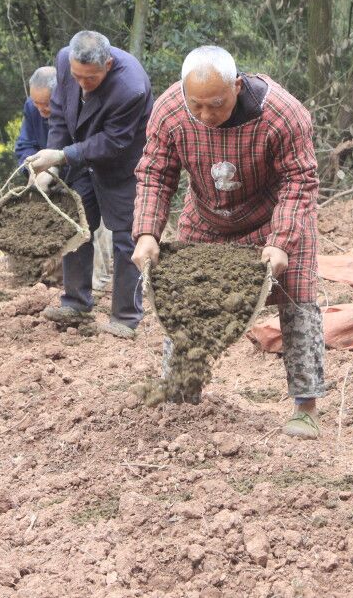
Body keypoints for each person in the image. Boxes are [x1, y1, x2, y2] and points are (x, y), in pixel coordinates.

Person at [131, 45, 325, 440]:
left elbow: (299, 181)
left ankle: (305, 407)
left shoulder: (282, 115)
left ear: (237, 86)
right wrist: (148, 233)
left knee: (299, 302)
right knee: (181, 298)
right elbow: (155, 174)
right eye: (196, 105)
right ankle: (180, 395)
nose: (205, 115)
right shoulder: (169, 112)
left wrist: (282, 241)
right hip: (206, 217)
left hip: (272, 220)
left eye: (215, 105)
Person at [24, 31, 153, 338]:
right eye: (77, 76)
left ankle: (125, 318)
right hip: (79, 160)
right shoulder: (64, 60)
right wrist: (51, 166)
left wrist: (63, 155)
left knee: (126, 238)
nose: (82, 83)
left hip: (123, 164)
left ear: (108, 65)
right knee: (76, 226)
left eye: (91, 78)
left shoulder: (130, 86)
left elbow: (114, 142)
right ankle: (76, 304)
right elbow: (58, 115)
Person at [14, 65, 113, 291]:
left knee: (96, 229)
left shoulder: (80, 105)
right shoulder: (32, 107)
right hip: (49, 181)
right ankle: (58, 280)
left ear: (59, 97)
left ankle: (100, 283)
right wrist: (31, 168)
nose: (41, 110)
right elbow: (24, 145)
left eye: (46, 104)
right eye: (36, 104)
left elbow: (92, 147)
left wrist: (59, 164)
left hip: (85, 174)